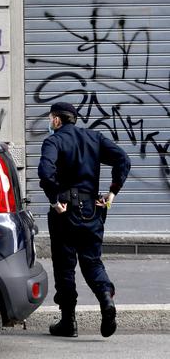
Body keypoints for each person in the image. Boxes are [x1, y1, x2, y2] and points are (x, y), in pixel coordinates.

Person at [38, 101, 131, 338]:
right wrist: (112, 192)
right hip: (91, 209)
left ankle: (68, 322)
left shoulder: (53, 141)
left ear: (57, 120)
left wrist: (53, 199)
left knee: (65, 266)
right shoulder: (94, 138)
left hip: (65, 211)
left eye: (51, 119)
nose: (51, 123)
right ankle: (106, 300)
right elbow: (123, 159)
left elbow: (45, 172)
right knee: (93, 263)